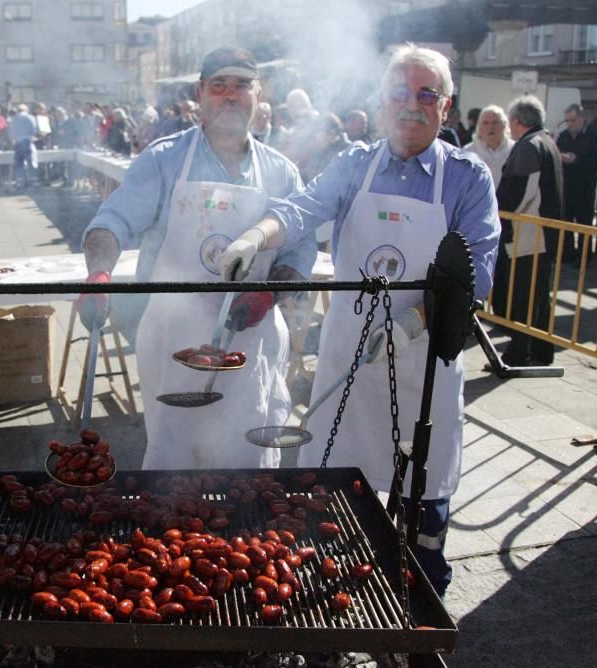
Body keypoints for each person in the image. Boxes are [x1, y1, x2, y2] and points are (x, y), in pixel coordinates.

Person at [222, 45, 500, 597]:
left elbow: (478, 275)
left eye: (428, 95)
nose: (412, 106)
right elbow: (306, 206)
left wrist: (410, 325)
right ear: (381, 103)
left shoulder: (467, 179)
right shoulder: (355, 165)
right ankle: (333, 597)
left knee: (424, 507)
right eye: (401, 92)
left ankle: (421, 607)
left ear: (446, 107)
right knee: (334, 493)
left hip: (425, 369)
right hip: (349, 361)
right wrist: (260, 234)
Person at [79, 47, 308, 471]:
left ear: (259, 95)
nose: (230, 96)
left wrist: (271, 291)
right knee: (173, 463)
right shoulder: (164, 160)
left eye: (242, 86)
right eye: (219, 85)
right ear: (201, 93)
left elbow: (299, 249)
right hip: (173, 340)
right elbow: (111, 222)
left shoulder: (281, 172)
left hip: (249, 342)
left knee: (249, 465)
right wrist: (99, 271)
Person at [491, 95, 564, 367]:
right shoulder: (546, 142)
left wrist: (497, 210)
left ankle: (518, 354)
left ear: (517, 122)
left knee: (524, 296)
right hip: (541, 232)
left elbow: (520, 193)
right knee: (538, 296)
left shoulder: (529, 146)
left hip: (529, 234)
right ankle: (542, 352)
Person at [556, 103, 597, 260]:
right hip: (567, 187)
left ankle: (584, 257)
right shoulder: (564, 135)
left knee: (584, 223)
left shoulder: (595, 136)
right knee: (566, 223)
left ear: (582, 118)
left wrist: (577, 160)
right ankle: (568, 254)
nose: (570, 124)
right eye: (567, 121)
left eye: (573, 120)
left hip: (585, 187)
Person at [463, 104, 514, 187]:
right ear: (479, 127)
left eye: (495, 122)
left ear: (504, 125)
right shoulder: (468, 152)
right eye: (485, 123)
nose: (490, 127)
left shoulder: (515, 149)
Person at [8, 103, 38, 189]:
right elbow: (34, 129)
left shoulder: (14, 119)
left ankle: (19, 182)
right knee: (31, 162)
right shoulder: (30, 117)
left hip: (18, 142)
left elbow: (11, 133)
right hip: (28, 142)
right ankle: (34, 182)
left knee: (18, 164)